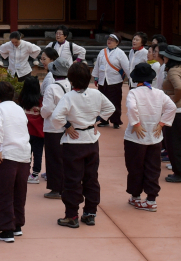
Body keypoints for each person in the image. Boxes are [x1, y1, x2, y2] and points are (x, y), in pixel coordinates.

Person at [51, 62, 115, 228]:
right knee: (91, 178)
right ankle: (90, 213)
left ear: (71, 80)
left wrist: (67, 126)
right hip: (92, 140)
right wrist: (98, 120)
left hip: (74, 142)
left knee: (72, 179)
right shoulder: (96, 94)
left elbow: (56, 117)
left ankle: (72, 215)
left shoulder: (69, 97)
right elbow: (110, 108)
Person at [124, 63, 176, 212]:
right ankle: (151, 200)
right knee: (153, 167)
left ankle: (135, 196)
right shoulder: (159, 93)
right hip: (155, 137)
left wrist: (136, 123)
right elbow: (172, 107)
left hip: (135, 138)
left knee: (135, 167)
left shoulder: (133, 93)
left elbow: (132, 107)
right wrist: (161, 124)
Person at [0, 81, 31, 243]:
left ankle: (6, 230)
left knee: (3, 193)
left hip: (6, 155)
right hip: (23, 154)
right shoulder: (19, 109)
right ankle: (17, 225)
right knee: (19, 192)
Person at [159, 45, 181, 183]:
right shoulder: (179, 69)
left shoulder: (173, 71)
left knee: (174, 143)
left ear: (170, 58)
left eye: (165, 55)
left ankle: (180, 173)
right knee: (180, 143)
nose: (163, 57)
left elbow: (179, 87)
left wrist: (173, 100)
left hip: (176, 112)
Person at [40, 58, 71, 199]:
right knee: (64, 157)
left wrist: (41, 113)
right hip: (67, 126)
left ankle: (56, 188)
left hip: (53, 127)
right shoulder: (70, 85)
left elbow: (47, 109)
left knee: (53, 159)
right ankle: (66, 185)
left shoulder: (52, 87)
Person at [92, 34, 129, 129]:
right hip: (102, 80)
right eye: (109, 39)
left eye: (112, 40)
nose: (109, 41)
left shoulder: (120, 53)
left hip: (114, 81)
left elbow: (126, 67)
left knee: (115, 101)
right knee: (102, 101)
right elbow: (97, 65)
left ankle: (116, 121)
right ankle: (104, 120)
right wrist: (96, 77)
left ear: (117, 43)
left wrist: (131, 79)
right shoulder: (102, 52)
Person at [18, 76, 44, 184]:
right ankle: (35, 174)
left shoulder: (22, 99)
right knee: (38, 153)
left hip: (25, 131)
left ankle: (24, 172)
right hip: (39, 131)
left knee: (26, 153)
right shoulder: (40, 100)